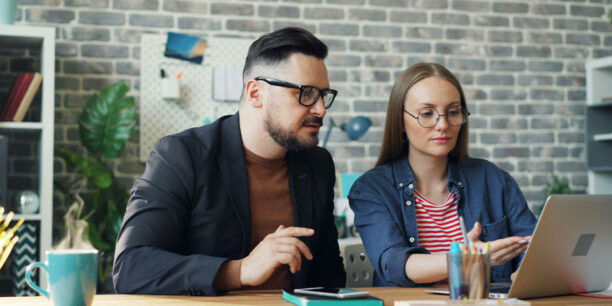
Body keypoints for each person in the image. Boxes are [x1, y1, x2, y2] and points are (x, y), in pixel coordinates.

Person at [113, 27, 346, 296]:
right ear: (256, 93)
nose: (319, 109)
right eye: (306, 93)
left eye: (323, 95)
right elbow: (130, 267)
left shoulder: (317, 164)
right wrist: (240, 270)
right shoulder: (182, 155)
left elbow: (327, 271)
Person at [348, 62, 536, 287]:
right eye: (427, 113)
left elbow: (534, 246)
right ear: (400, 121)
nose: (443, 124)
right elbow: (395, 264)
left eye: (453, 112)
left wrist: (526, 273)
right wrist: (465, 259)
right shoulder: (371, 189)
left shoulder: (493, 179)